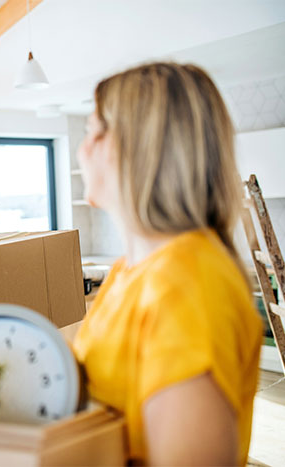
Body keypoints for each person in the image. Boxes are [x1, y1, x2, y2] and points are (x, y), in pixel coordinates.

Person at [72, 63, 262, 465]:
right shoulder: (133, 269)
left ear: (140, 147)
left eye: (92, 131)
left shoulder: (186, 284)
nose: (82, 150)